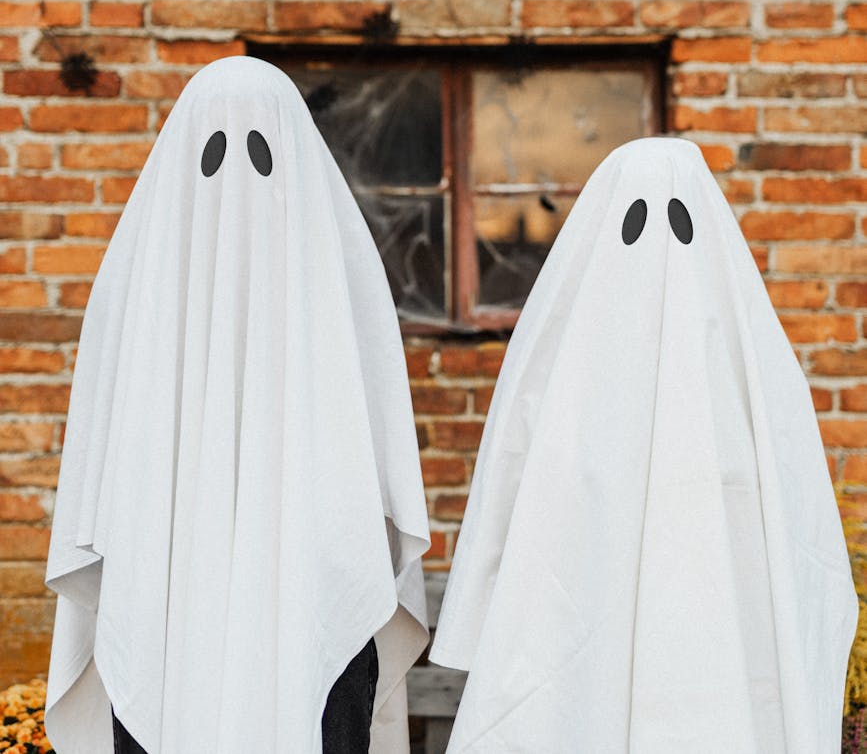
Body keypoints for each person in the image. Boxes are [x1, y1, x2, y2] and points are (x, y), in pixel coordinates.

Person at [45, 55, 430, 754]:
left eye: (259, 154)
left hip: (313, 601)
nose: (237, 188)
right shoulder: (132, 292)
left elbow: (369, 470)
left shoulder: (342, 285)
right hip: (162, 597)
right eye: (215, 154)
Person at [431, 136, 857, 753]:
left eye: (678, 222)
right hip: (572, 672)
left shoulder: (753, 378)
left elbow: (804, 537)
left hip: (724, 674)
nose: (658, 251)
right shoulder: (558, 373)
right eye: (635, 222)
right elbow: (509, 490)